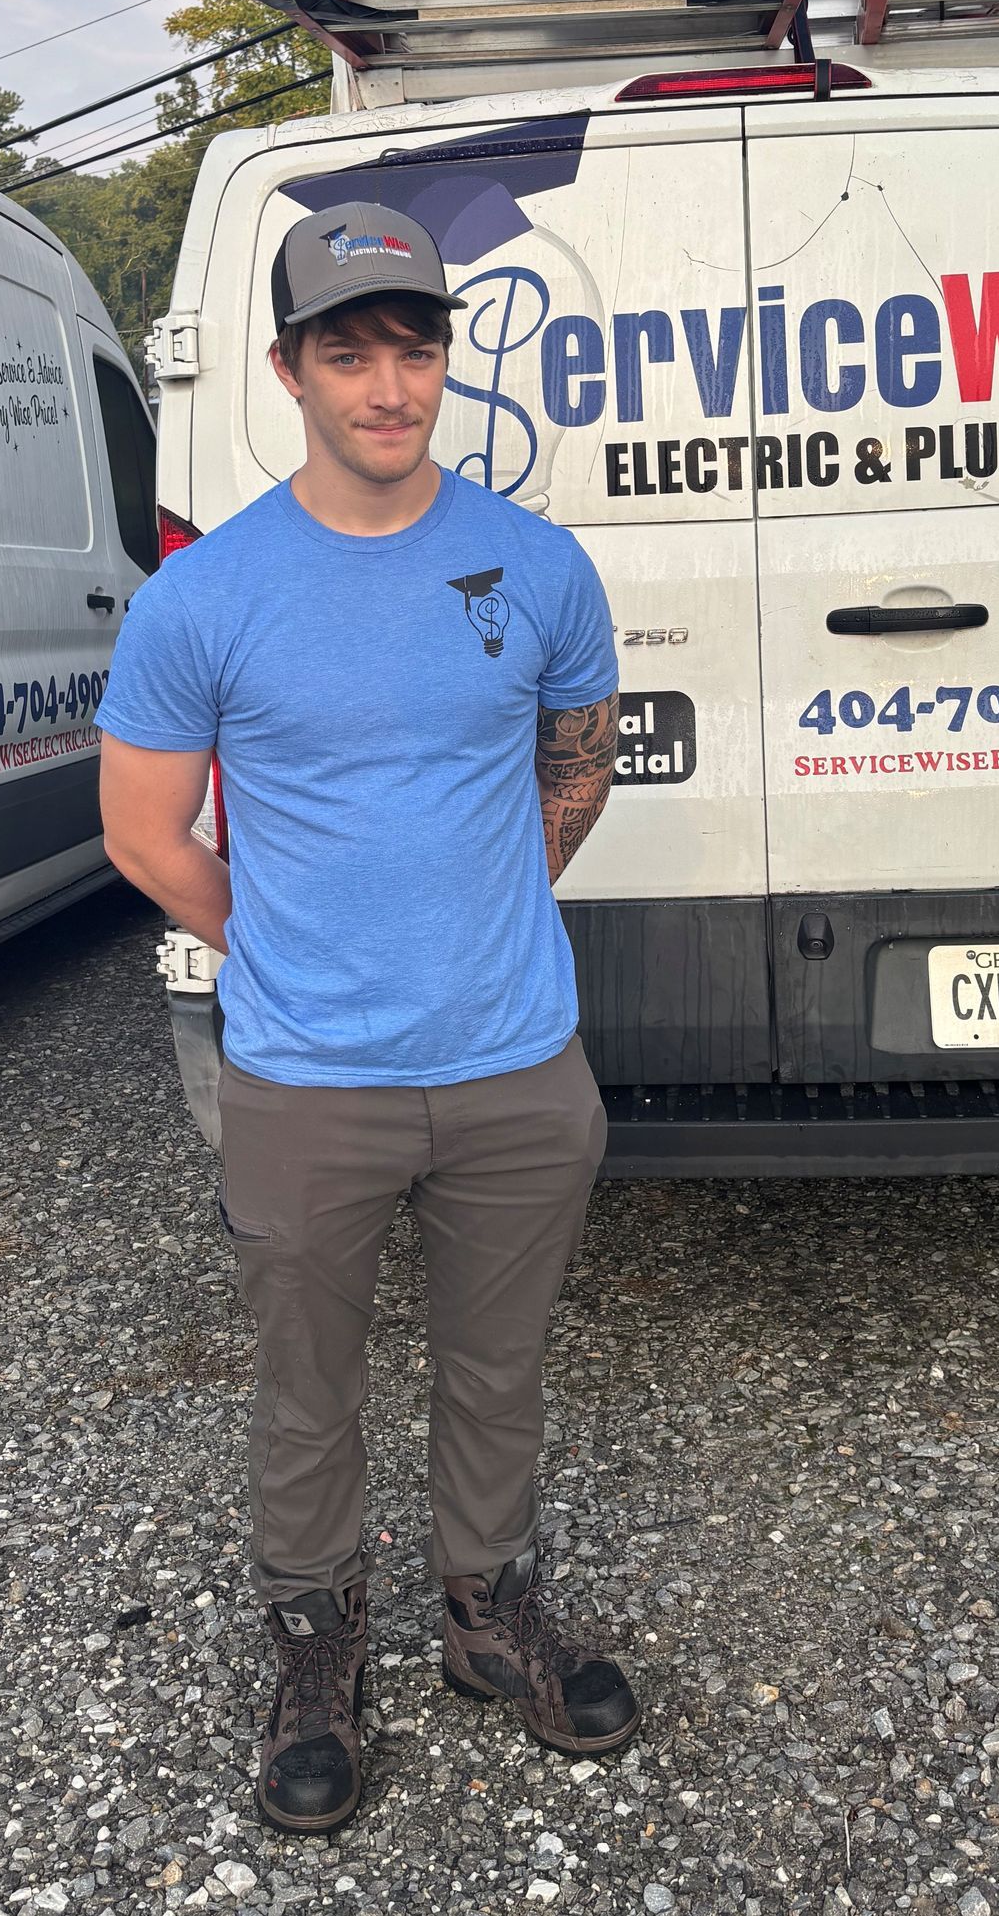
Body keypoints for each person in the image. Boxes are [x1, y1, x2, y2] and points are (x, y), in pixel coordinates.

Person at [97, 201, 637, 1834]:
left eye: (414, 346)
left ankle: (488, 1614)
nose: (388, 383)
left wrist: (485, 908)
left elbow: (580, 766)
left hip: (514, 1067)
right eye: (350, 351)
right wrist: (283, 944)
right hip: (304, 1078)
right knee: (304, 1384)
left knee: (497, 1367)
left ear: (444, 363)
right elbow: (141, 833)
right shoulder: (208, 598)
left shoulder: (536, 567)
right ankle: (316, 1649)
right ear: (290, 372)